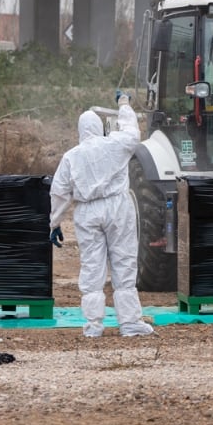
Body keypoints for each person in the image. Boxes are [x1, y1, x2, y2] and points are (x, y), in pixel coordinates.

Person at [49, 93, 155, 338]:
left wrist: (54, 223)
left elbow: (59, 193)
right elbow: (132, 133)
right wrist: (124, 105)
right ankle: (129, 324)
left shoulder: (71, 156)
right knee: (124, 264)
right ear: (100, 127)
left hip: (87, 211)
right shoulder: (114, 144)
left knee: (92, 268)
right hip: (118, 207)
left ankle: (93, 326)